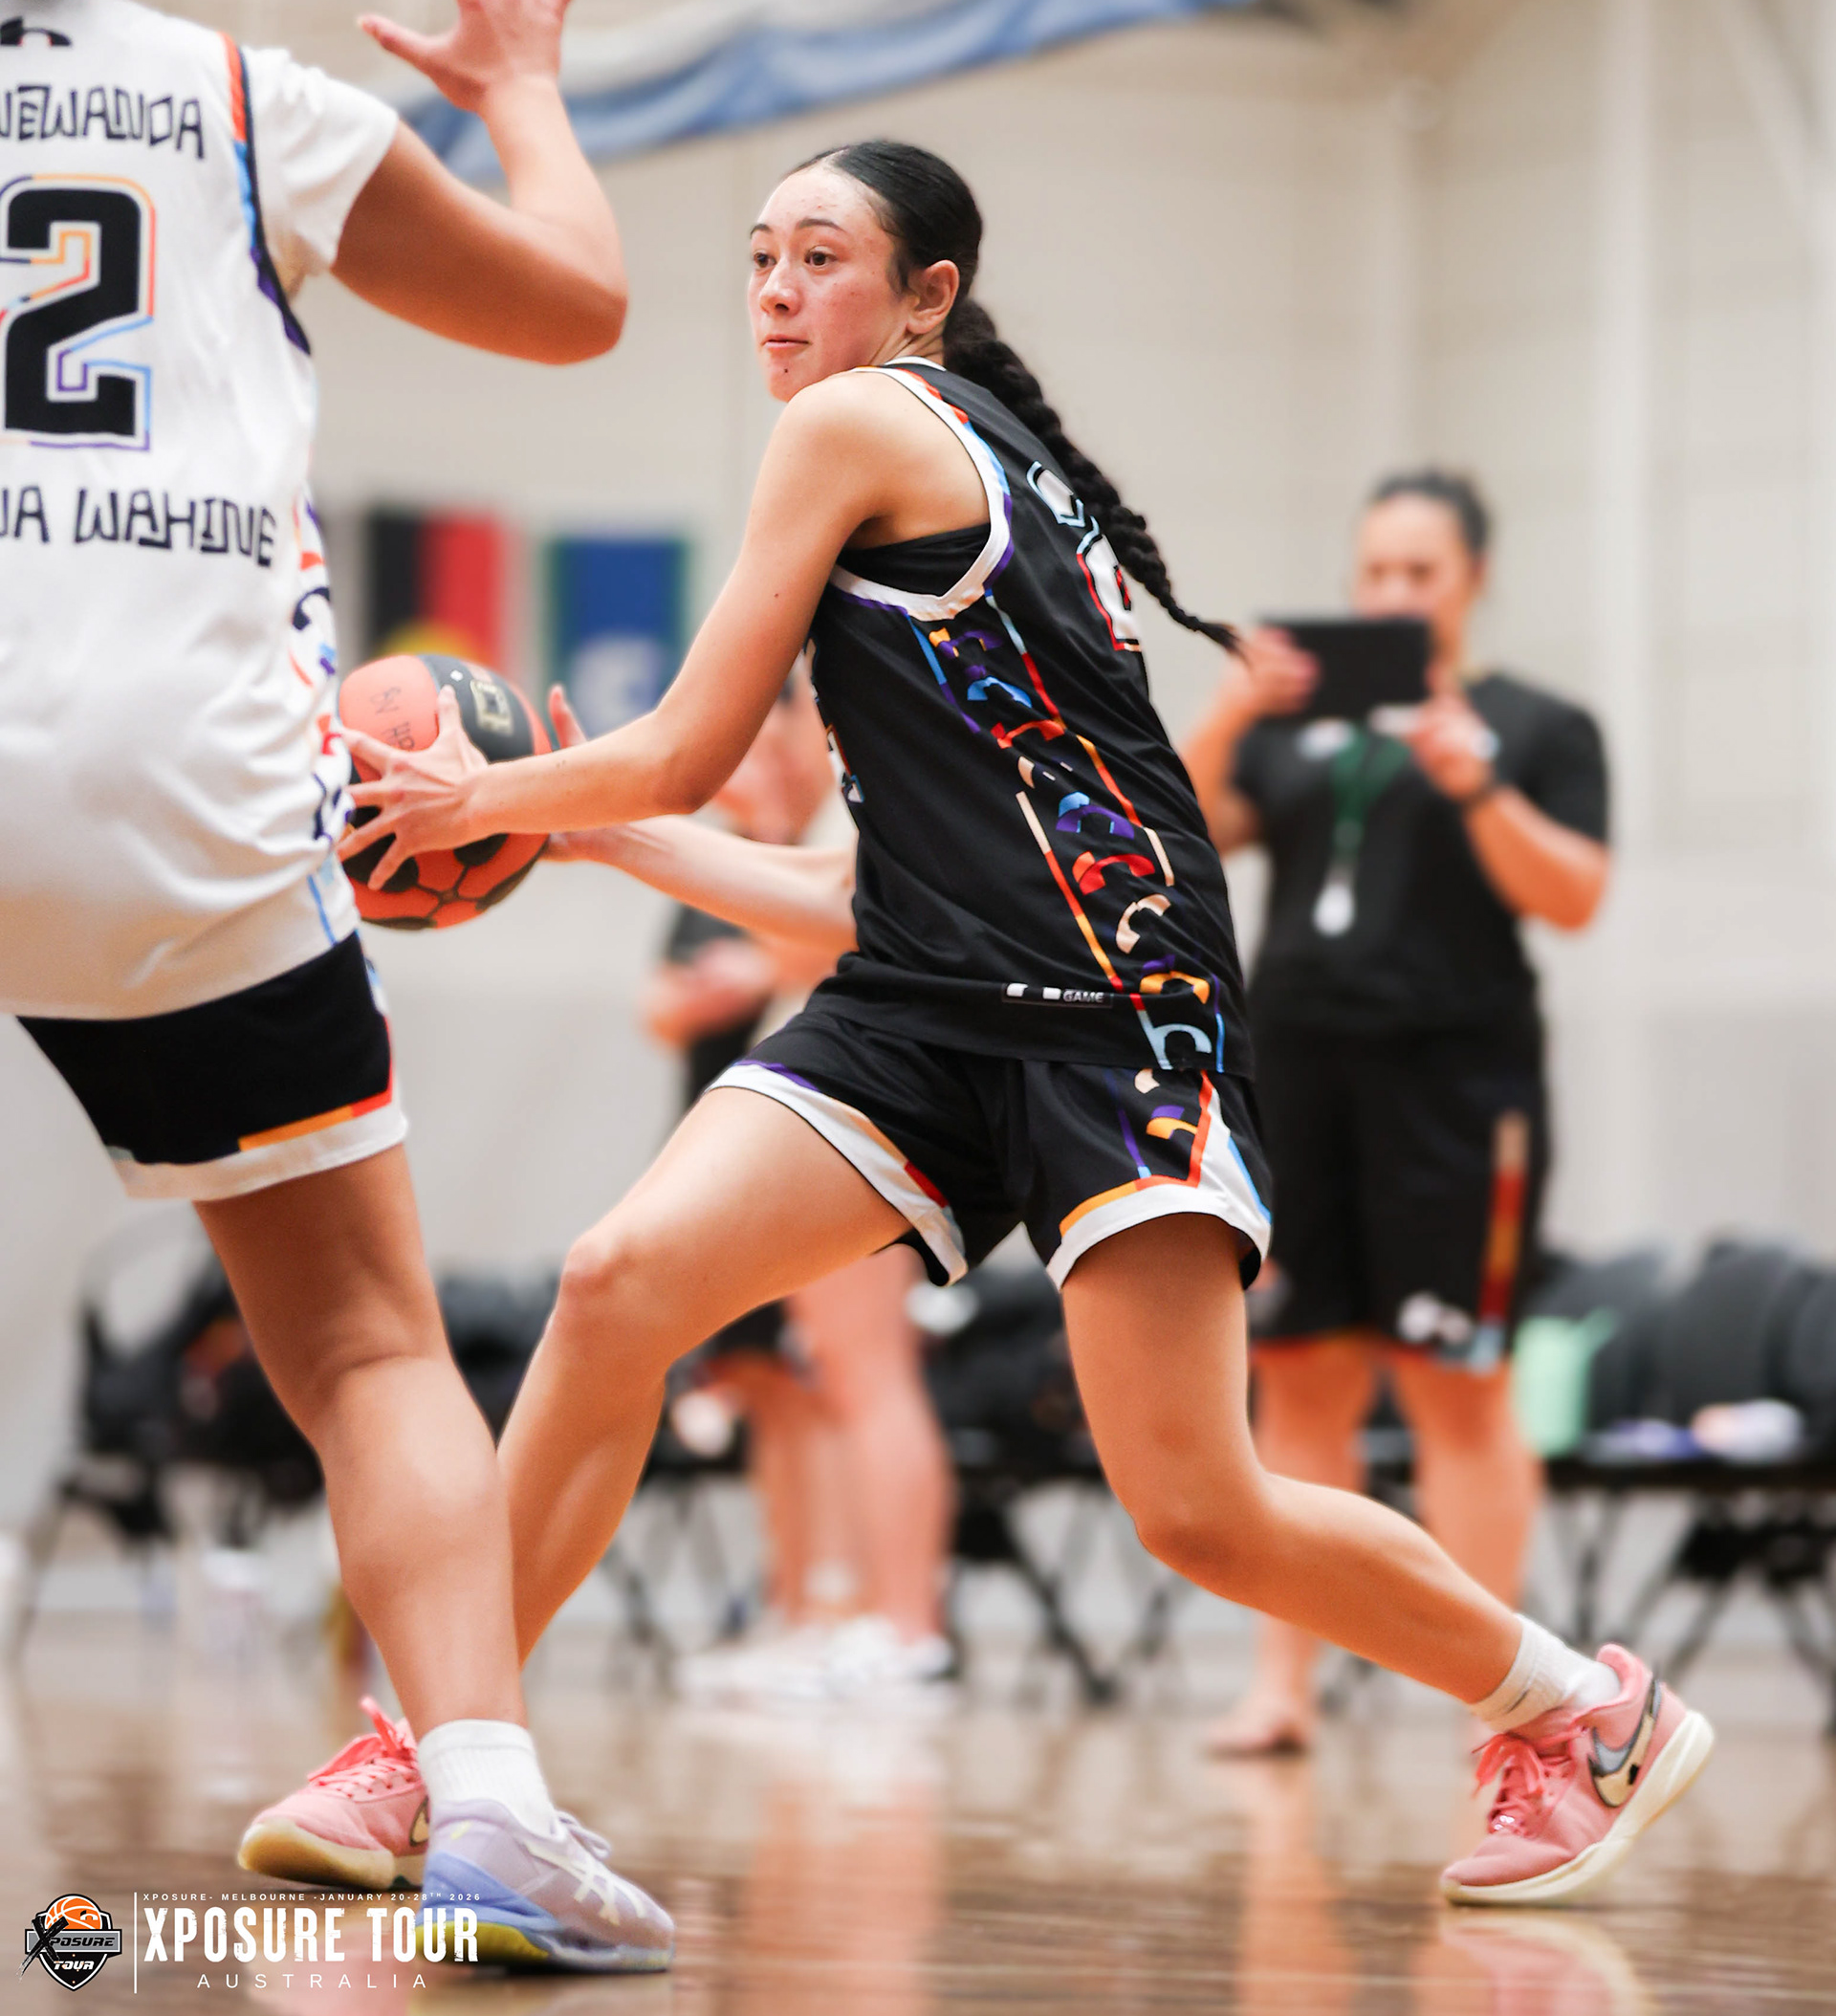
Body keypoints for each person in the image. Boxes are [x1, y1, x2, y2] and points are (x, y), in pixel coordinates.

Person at [283, 138, 1709, 1909]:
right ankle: (438, 1752)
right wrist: (589, 828)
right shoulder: (966, 477)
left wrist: (490, 799)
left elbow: (689, 748)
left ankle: (1583, 1711)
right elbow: (853, 890)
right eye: (760, 258)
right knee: (617, 1283)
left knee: (1198, 1509)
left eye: (821, 257)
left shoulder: (858, 427)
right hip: (931, 1003)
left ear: (926, 298)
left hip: (1121, 1013)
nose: (778, 292)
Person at [0, 0, 669, 1970]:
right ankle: (486, 1809)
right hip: (178, 783)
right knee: (374, 1352)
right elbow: (577, 300)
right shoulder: (241, 99)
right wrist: (522, 88)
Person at [1181, 471, 1610, 1759]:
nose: (1392, 594)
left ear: (1472, 579)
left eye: (1420, 572)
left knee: (1456, 1383)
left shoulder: (1538, 726)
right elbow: (1186, 829)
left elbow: (1574, 896)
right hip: (1298, 1078)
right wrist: (1229, 708)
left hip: (1459, 1090)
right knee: (1299, 1376)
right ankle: (1283, 1689)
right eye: (1375, 571)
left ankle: (1498, 1702)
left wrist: (1477, 786)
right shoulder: (1297, 724)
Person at [641, 684, 954, 1698]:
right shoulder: (808, 823)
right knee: (828, 1378)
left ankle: (906, 1628)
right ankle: (843, 1619)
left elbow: (807, 945)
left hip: (868, 1122)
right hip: (822, 1125)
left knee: (871, 1378)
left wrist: (745, 841)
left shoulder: (862, 813)